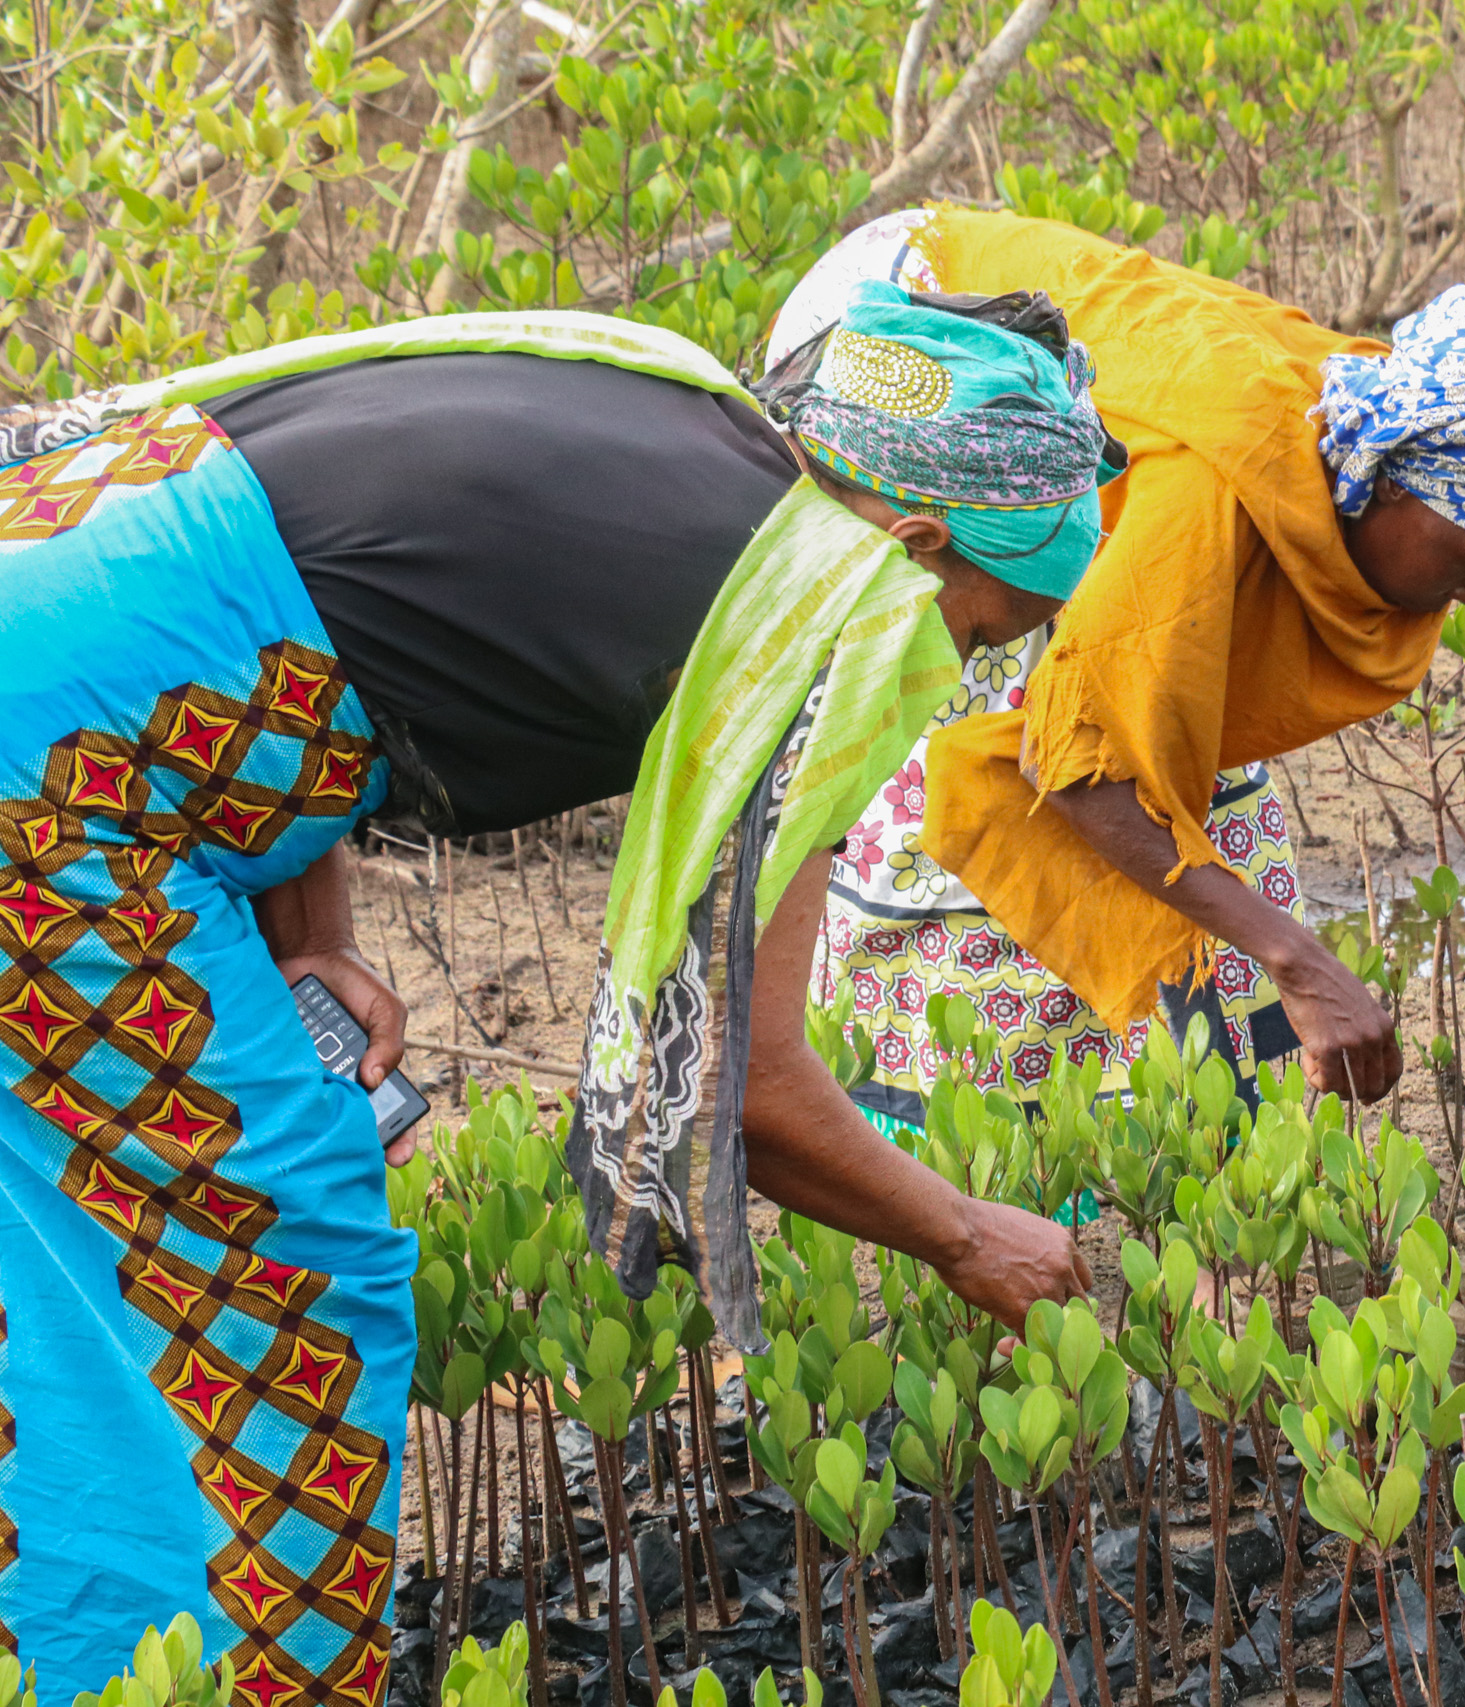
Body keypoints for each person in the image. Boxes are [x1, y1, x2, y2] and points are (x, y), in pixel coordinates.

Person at [0, 288, 1109, 1691]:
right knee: (263, 1263)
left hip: (66, 625)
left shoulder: (682, 411)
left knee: (79, 1227)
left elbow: (317, 587)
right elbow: (746, 1086)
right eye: (988, 625)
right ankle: (175, 1670)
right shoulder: (814, 624)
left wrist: (315, 933)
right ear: (910, 539)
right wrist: (963, 1236)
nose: (967, 667)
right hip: (46, 793)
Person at [768, 209, 1465, 1121]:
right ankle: (964, 1129)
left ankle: (1198, 1115)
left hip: (1038, 365)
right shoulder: (1210, 496)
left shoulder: (1365, 415)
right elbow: (1076, 771)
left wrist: (1275, 946)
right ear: (1383, 481)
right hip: (897, 329)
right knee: (982, 692)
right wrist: (1297, 958)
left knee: (1172, 743)